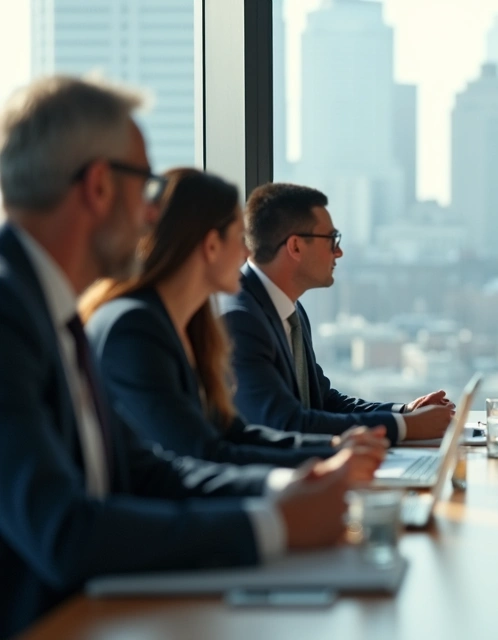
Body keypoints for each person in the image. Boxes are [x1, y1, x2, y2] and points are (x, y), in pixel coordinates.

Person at [0, 76, 352, 638]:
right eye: (144, 187)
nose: (149, 216)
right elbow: (63, 531)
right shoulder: (13, 316)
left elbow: (144, 471)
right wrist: (272, 526)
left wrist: (284, 490)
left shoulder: (52, 312)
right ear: (97, 186)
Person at [80, 168, 388, 475]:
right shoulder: (134, 329)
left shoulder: (192, 325)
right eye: (240, 238)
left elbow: (233, 433)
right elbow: (202, 454)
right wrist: (318, 468)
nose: (247, 252)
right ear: (211, 245)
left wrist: (336, 450)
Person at [220, 182, 454, 443]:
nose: (339, 252)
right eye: (332, 239)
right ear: (295, 247)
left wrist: (404, 411)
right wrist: (404, 427)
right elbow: (285, 423)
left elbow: (323, 402)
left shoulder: (292, 311)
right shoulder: (241, 319)